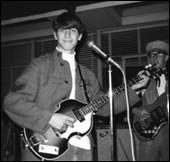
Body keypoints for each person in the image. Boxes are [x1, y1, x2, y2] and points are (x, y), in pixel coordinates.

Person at [3, 11, 149, 161]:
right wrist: (50, 118)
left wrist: (133, 90)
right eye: (62, 30)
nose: (67, 35)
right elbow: (12, 101)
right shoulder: (40, 65)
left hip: (84, 149)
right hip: (46, 147)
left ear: (79, 36)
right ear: (55, 35)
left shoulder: (87, 74)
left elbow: (104, 107)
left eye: (72, 30)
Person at [132, 40, 169, 161]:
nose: (155, 58)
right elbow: (126, 101)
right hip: (149, 130)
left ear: (167, 57)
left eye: (159, 54)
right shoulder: (143, 75)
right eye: (151, 55)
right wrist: (135, 111)